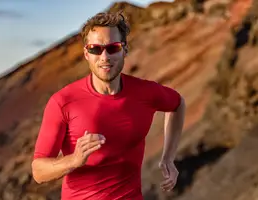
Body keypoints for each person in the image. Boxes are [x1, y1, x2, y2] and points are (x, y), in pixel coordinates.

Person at [31, 11, 186, 200]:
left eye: (113, 48)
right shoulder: (63, 101)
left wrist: (168, 157)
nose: (104, 57)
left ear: (125, 50)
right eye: (96, 49)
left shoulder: (145, 92)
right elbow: (38, 171)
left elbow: (177, 104)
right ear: (86, 53)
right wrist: (74, 160)